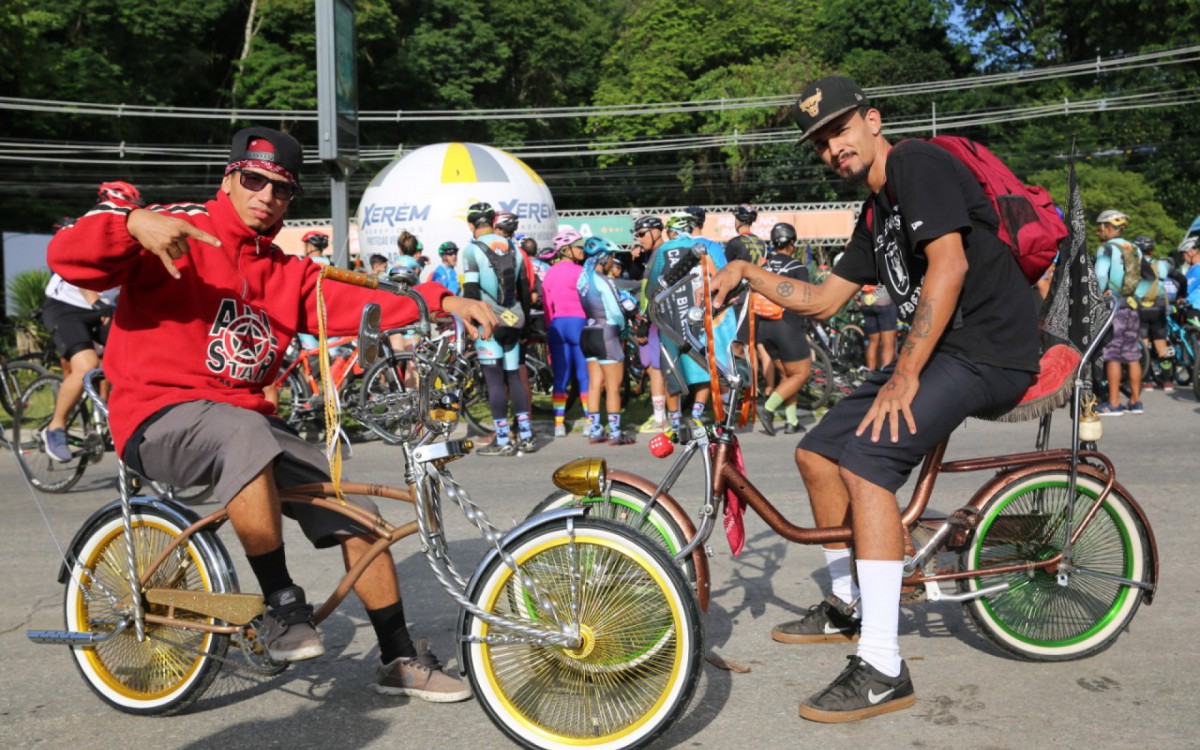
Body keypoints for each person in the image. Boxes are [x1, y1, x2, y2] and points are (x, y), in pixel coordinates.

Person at [47, 126, 496, 702]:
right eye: (253, 180)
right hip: (157, 415)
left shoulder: (286, 272)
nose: (265, 196)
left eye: (280, 189)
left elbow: (356, 300)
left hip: (245, 424)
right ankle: (283, 607)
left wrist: (438, 300)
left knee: (357, 511)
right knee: (245, 433)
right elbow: (67, 254)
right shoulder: (181, 227)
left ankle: (398, 656)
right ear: (229, 179)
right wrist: (131, 223)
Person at [712, 76, 1038, 723]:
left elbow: (949, 266)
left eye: (839, 129)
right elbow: (826, 299)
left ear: (872, 120)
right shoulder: (876, 212)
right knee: (816, 453)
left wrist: (905, 370)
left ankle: (884, 664)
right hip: (943, 351)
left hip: (988, 350)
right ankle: (847, 605)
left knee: (867, 466)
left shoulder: (918, 165)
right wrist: (748, 273)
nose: (833, 148)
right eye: (821, 142)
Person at [40, 185, 133, 462]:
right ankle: (55, 427)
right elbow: (84, 278)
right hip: (67, 308)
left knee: (133, 360)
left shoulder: (133, 234)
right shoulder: (88, 228)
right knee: (86, 365)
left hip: (102, 309)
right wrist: (97, 303)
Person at [647, 211, 735, 427]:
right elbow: (719, 275)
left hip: (669, 317)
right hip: (698, 315)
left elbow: (652, 285)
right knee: (701, 361)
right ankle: (696, 414)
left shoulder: (664, 249)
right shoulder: (704, 247)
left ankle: (674, 421)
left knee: (671, 365)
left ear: (673, 231)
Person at [460, 202, 536, 455]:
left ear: (471, 225)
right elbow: (524, 289)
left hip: (488, 322)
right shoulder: (513, 247)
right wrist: (526, 327)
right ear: (493, 222)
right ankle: (526, 436)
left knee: (494, 381)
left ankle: (503, 440)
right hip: (515, 320)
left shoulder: (471, 251)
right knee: (514, 375)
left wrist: (470, 325)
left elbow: (471, 291)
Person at [754, 223, 812, 436]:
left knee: (787, 376)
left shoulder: (763, 265)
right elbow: (806, 299)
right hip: (787, 325)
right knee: (801, 374)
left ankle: (791, 421)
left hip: (764, 327)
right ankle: (768, 407)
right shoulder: (797, 267)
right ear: (792, 243)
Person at [578, 237, 636, 445]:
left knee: (595, 384)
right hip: (606, 332)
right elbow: (616, 311)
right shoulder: (604, 280)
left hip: (588, 331)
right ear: (602, 258)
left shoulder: (582, 280)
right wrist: (623, 328)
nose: (612, 261)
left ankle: (595, 429)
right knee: (613, 386)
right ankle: (615, 432)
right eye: (611, 257)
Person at [630, 215, 679, 433]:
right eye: (636, 235)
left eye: (642, 234)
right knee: (654, 369)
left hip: (658, 320)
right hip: (656, 318)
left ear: (657, 231)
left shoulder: (661, 253)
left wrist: (643, 322)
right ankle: (664, 418)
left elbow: (654, 292)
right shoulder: (654, 255)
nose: (639, 239)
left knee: (662, 369)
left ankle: (667, 420)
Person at [1093, 210, 1144, 415]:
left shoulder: (1106, 249)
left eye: (1100, 227)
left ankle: (1114, 403)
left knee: (1113, 354)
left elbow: (1100, 273)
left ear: (1108, 227)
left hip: (1114, 306)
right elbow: (1146, 277)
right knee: (1132, 354)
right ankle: (1135, 401)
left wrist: (1099, 293)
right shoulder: (1135, 249)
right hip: (1131, 305)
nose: (1099, 231)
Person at [542, 229, 590, 437]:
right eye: (579, 247)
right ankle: (591, 421)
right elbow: (590, 300)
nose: (583, 251)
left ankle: (559, 424)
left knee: (560, 375)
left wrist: (549, 325)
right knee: (583, 375)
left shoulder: (550, 272)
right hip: (579, 324)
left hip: (558, 325)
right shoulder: (581, 272)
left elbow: (546, 304)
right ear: (567, 250)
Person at [1129, 235, 1172, 390]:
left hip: (1141, 308)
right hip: (1159, 307)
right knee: (1161, 344)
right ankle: (1167, 380)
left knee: (1144, 344)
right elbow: (1178, 278)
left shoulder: (1135, 265)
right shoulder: (1163, 264)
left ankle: (1147, 381)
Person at [859, 283, 897, 371]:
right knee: (888, 342)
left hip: (867, 302)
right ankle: (884, 372)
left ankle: (870, 371)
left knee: (872, 341)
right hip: (884, 300)